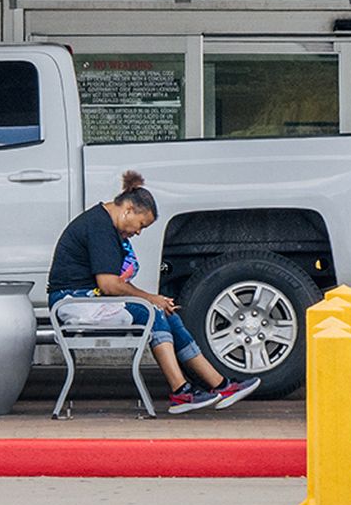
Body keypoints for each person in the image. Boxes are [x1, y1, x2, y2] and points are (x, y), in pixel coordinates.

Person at [47, 170, 260, 413]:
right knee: (153, 312)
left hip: (87, 300)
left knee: (167, 315)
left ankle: (221, 385)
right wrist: (152, 299)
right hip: (72, 302)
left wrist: (154, 301)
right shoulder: (100, 227)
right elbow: (108, 284)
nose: (138, 232)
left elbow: (113, 286)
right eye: (140, 225)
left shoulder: (106, 224)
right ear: (128, 209)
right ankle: (181, 392)